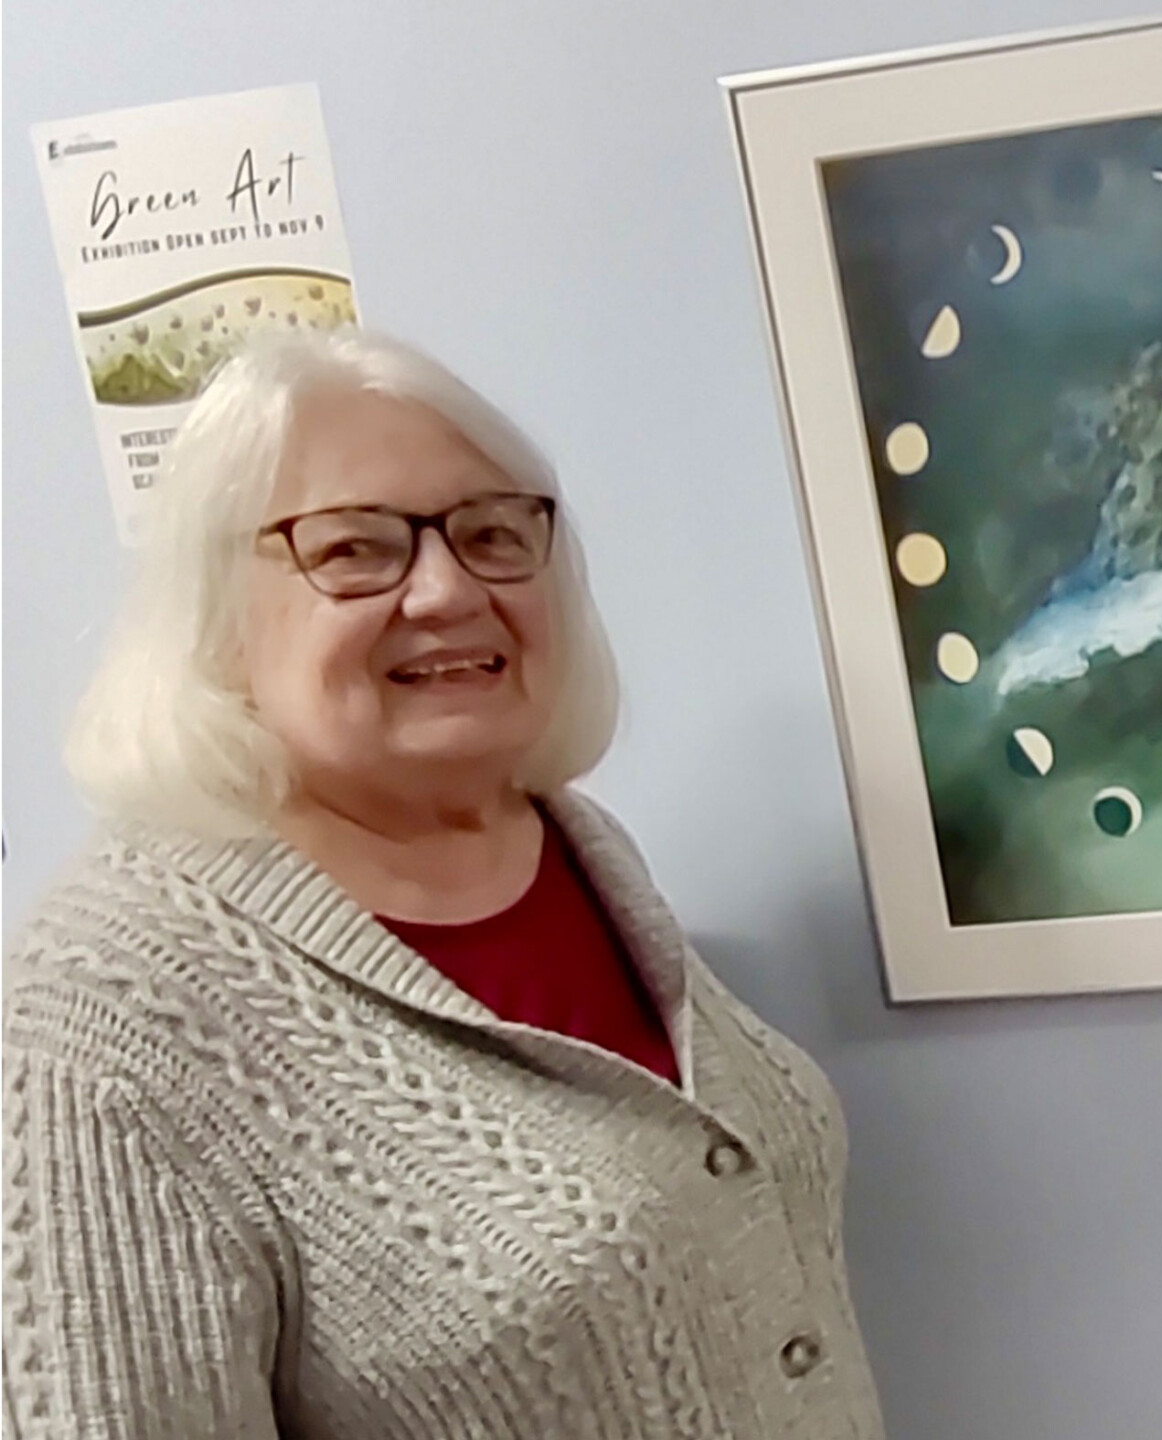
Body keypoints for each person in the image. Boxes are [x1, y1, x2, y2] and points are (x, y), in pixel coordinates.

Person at [2, 329, 887, 1439]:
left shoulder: (574, 847)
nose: (446, 589)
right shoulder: (105, 1019)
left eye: (490, 534)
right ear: (217, 612)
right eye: (356, 549)